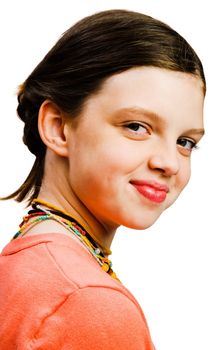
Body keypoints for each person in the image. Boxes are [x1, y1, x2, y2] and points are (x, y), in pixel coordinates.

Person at [0, 9, 205, 350]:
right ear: (58, 127)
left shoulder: (26, 268)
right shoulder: (86, 301)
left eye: (185, 142)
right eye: (136, 127)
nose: (169, 162)